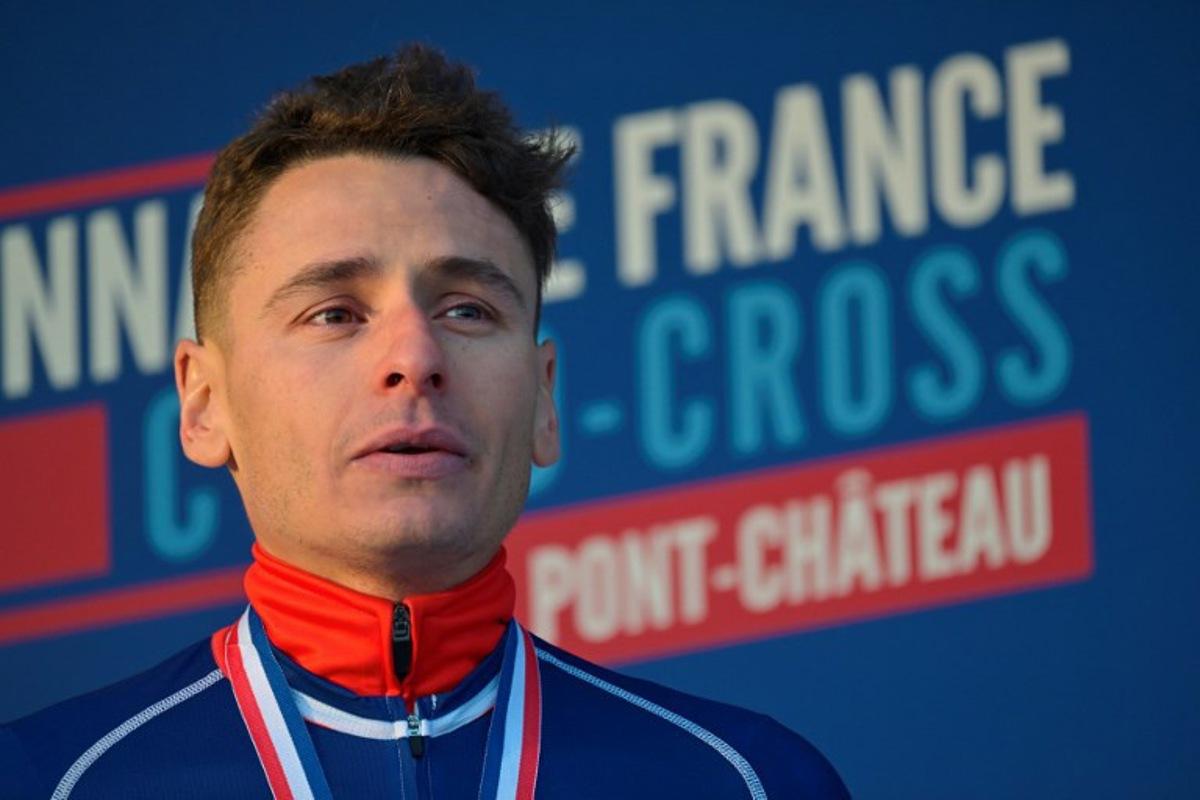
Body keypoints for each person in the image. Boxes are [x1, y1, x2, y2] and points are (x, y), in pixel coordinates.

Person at [0, 44, 849, 799]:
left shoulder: (748, 781)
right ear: (204, 403)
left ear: (545, 400)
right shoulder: (49, 781)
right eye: (335, 312)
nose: (415, 355)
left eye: (469, 310)